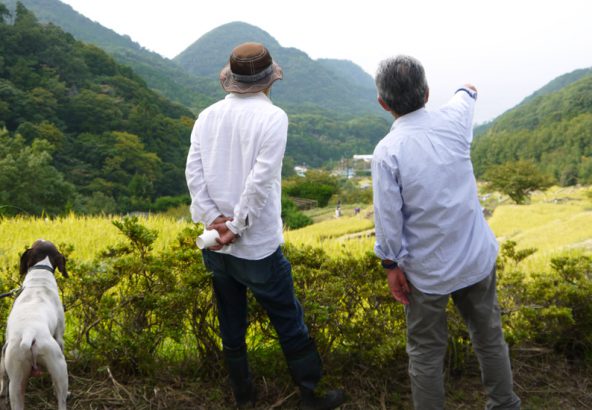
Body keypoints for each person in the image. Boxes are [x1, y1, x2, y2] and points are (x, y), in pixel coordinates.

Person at [185, 42, 345, 410]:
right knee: (288, 320)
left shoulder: (206, 116)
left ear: (232, 80)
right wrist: (237, 226)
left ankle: (244, 398)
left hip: (215, 245)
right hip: (255, 246)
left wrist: (214, 220)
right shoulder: (273, 118)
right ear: (269, 79)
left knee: (231, 325)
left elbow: (194, 174)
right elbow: (260, 180)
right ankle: (311, 395)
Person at [371, 55, 521, 410]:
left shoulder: (387, 152)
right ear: (426, 93)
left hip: (426, 271)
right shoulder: (453, 120)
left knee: (425, 352)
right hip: (475, 258)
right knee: (488, 336)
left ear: (383, 104)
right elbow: (468, 91)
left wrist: (391, 265)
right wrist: (463, 89)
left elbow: (388, 219)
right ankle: (505, 403)